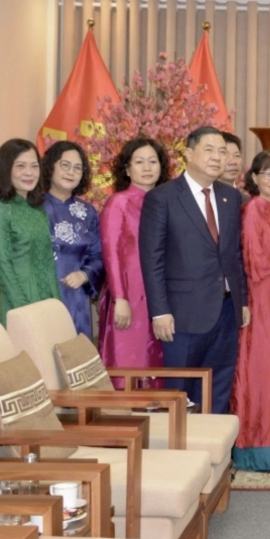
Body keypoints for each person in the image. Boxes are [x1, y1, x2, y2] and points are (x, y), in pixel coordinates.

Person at [140, 126, 249, 414]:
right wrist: (159, 311)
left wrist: (243, 301)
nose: (217, 157)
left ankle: (213, 455)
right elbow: (152, 260)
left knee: (219, 387)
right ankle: (178, 454)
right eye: (209, 150)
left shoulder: (231, 197)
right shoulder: (162, 198)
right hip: (182, 313)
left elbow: (235, 255)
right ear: (188, 154)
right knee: (180, 390)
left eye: (222, 151)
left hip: (226, 311)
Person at [231, 150, 270, 471]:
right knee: (259, 370)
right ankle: (254, 446)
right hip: (261, 297)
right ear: (254, 178)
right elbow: (257, 262)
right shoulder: (253, 208)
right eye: (268, 173)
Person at [99, 138, 169, 381]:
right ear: (127, 169)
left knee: (156, 360)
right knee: (130, 358)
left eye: (152, 161)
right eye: (139, 162)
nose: (147, 167)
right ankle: (124, 415)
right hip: (129, 294)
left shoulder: (164, 202)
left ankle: (156, 415)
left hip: (158, 296)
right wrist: (120, 298)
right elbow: (111, 252)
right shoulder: (118, 202)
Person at [0, 139, 61, 326]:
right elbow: (3, 268)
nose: (29, 173)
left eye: (34, 166)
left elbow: (48, 263)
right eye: (21, 166)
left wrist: (57, 305)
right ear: (5, 169)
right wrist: (26, 312)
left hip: (43, 302)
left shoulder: (37, 210)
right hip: (13, 304)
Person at [40, 141, 104, 339]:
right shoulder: (33, 208)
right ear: (51, 167)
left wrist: (84, 275)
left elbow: (99, 255)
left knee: (75, 358)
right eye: (65, 165)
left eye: (78, 168)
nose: (71, 172)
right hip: (39, 296)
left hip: (75, 297)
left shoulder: (88, 212)